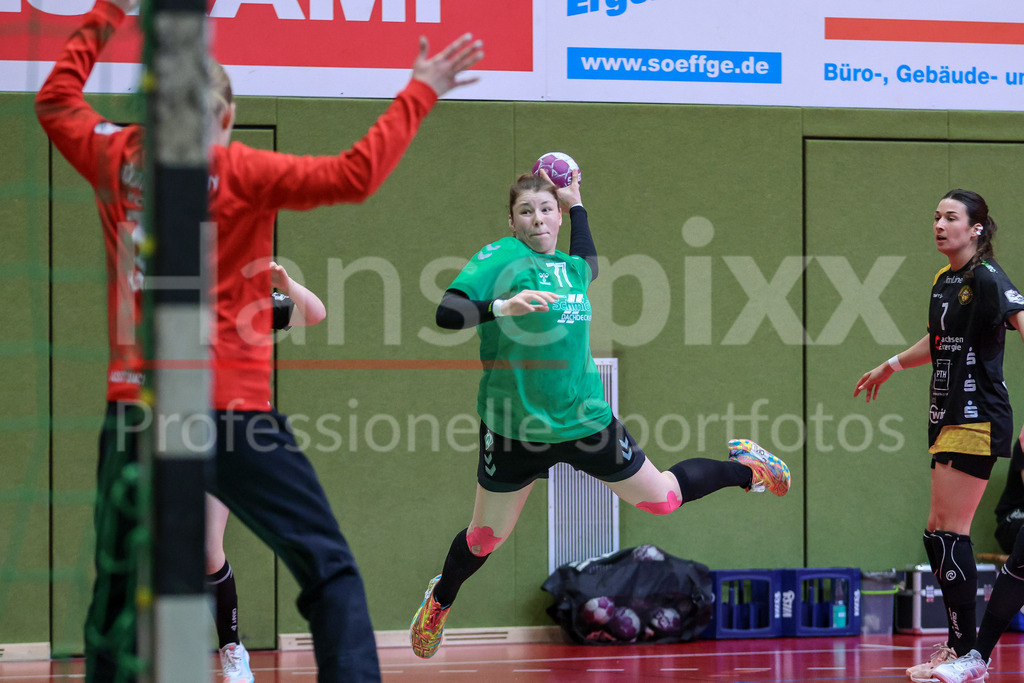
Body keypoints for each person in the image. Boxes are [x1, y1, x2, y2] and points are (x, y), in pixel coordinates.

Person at [36, 1, 483, 681]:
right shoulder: (244, 170)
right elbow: (354, 174)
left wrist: (111, 10)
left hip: (138, 413)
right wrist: (420, 88)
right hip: (230, 412)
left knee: (117, 593)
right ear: (224, 119)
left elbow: (55, 99)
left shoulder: (115, 153)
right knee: (326, 568)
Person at [408, 169, 792, 659]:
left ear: (558, 215)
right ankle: (439, 601)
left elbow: (588, 257)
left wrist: (578, 205)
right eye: (526, 211)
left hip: (585, 420)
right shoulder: (500, 257)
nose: (537, 219)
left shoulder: (571, 267)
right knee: (484, 538)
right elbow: (447, 312)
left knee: (663, 500)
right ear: (512, 221)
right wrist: (503, 306)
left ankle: (750, 470)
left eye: (547, 209)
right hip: (512, 430)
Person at [854, 189, 1024, 682]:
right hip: (946, 414)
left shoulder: (988, 278)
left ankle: (963, 652)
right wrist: (891, 365)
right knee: (939, 534)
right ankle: (959, 649)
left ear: (976, 228)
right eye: (935, 216)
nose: (939, 224)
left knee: (948, 533)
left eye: (951, 217)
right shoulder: (944, 280)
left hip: (978, 416)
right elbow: (940, 338)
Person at [204, 261, 326, 682]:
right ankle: (231, 646)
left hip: (251, 435)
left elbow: (316, 313)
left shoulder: (252, 304)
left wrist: (286, 283)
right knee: (204, 549)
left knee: (300, 534)